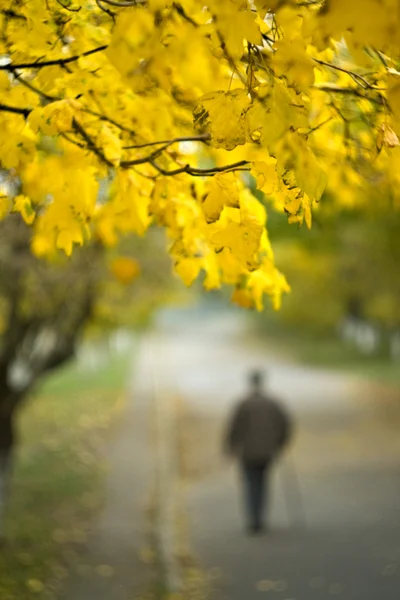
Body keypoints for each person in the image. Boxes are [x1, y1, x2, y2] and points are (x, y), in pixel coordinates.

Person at [224, 370, 292, 534]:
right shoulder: (273, 403)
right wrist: (280, 444)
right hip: (267, 452)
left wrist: (230, 447)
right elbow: (285, 425)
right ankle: (260, 518)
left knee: (250, 483)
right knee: (262, 483)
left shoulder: (243, 404)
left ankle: (253, 519)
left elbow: (234, 428)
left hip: (247, 452)